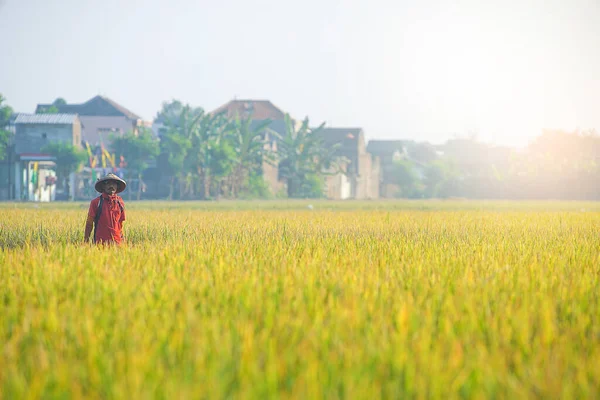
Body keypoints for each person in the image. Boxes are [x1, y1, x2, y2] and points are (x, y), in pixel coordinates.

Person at [84, 173, 127, 245]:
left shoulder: (120, 203)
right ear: (103, 186)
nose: (111, 186)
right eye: (108, 183)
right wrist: (86, 241)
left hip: (117, 243)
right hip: (100, 244)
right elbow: (89, 223)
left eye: (114, 183)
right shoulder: (96, 202)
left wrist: (123, 241)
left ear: (117, 186)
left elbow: (120, 224)